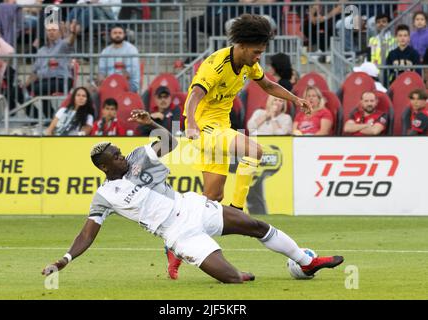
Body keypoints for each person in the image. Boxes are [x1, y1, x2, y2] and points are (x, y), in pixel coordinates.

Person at [41, 109, 344, 284]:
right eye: (116, 157)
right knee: (234, 280)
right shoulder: (104, 196)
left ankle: (306, 261)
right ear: (104, 166)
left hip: (192, 206)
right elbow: (87, 234)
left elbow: (169, 140)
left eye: (120, 153)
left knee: (256, 226)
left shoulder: (137, 157)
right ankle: (219, 267)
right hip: (177, 233)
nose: (122, 157)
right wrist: (64, 260)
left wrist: (150, 121)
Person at [177, 13, 311, 280]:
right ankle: (237, 210)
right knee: (256, 151)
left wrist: (295, 99)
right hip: (203, 127)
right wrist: (191, 124)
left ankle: (176, 244)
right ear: (241, 45)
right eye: (257, 51)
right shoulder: (215, 65)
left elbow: (268, 85)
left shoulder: (248, 64)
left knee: (211, 200)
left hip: (221, 127)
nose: (259, 56)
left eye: (262, 51)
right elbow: (194, 95)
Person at [23, 21, 79, 118]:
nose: (51, 32)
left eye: (54, 30)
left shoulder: (62, 45)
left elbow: (70, 42)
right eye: (49, 30)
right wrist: (24, 85)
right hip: (46, 81)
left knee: (37, 89)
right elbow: (35, 72)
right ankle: (37, 117)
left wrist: (73, 33)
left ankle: (51, 116)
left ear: (59, 32)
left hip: (62, 81)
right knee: (21, 91)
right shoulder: (41, 51)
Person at [97, 25, 140, 93]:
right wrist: (102, 80)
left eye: (120, 33)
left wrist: (113, 82)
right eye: (115, 33)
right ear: (110, 35)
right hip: (110, 84)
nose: (117, 35)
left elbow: (129, 75)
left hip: (129, 85)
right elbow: (101, 72)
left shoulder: (131, 49)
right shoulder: (105, 51)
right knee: (91, 89)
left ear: (124, 35)